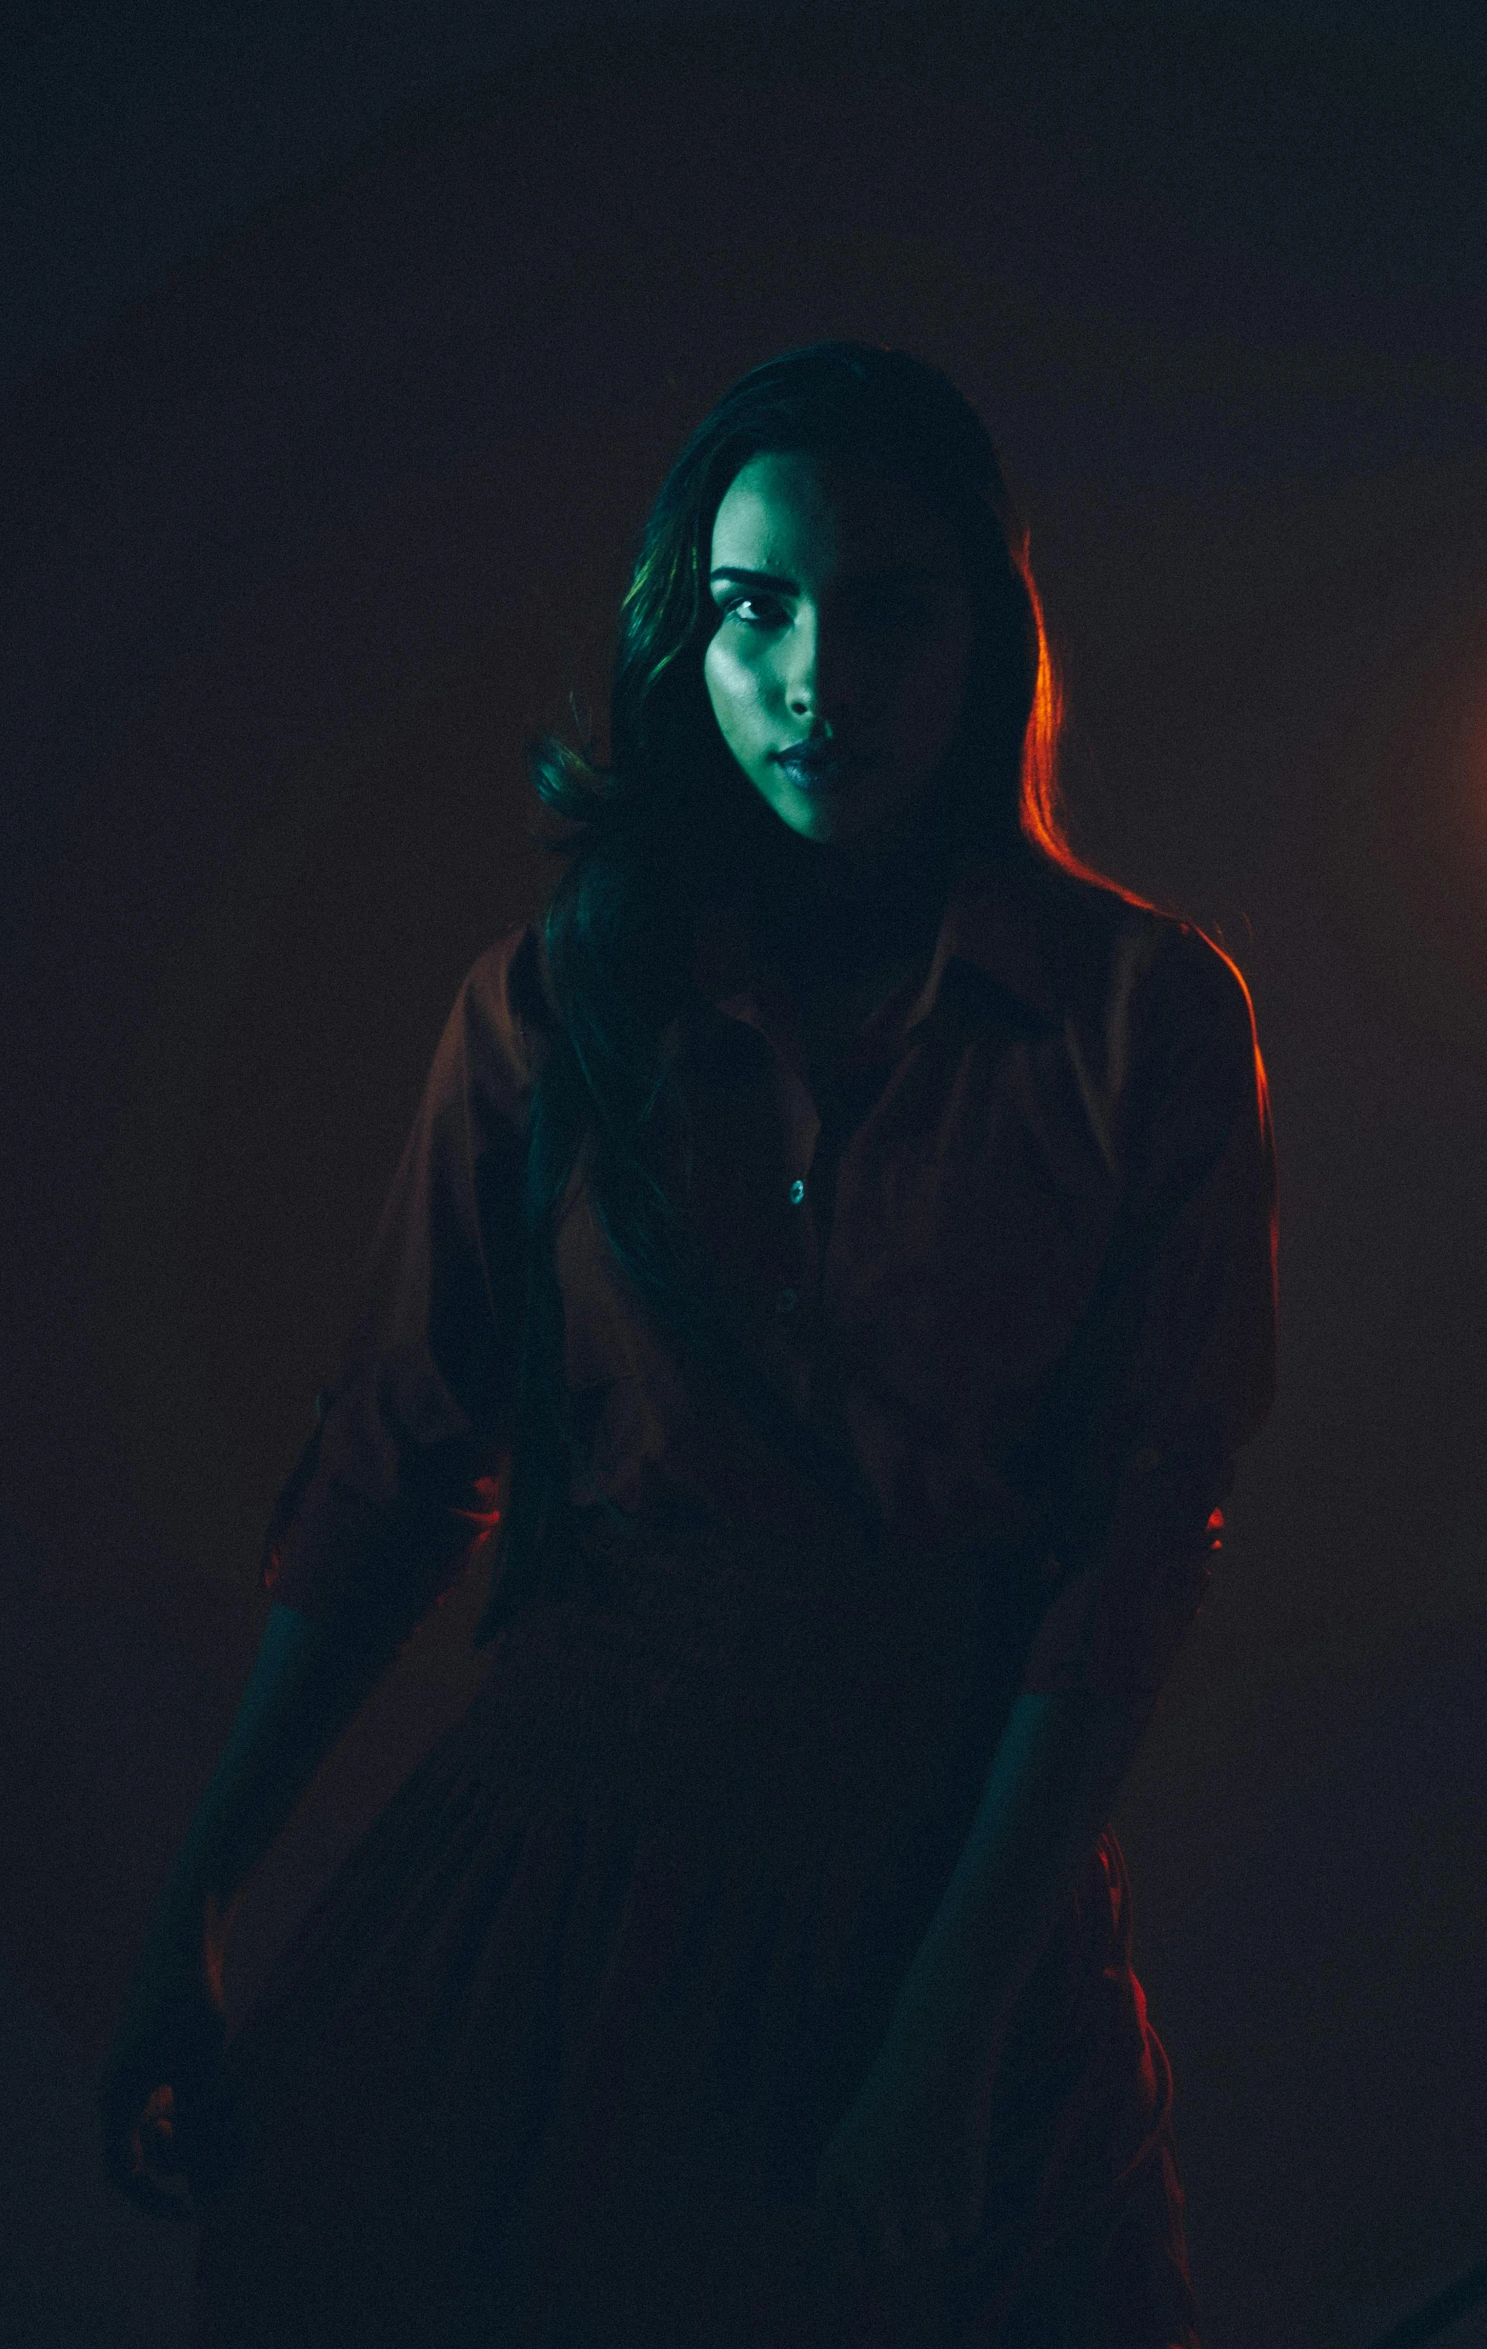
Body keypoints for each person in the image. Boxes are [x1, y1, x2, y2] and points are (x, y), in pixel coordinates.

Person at [100, 342, 1277, 2348]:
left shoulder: (1135, 1018)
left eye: (885, 606)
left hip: (931, 1881)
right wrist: (190, 1902)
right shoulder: (554, 1006)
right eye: (756, 611)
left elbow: (1130, 1552)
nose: (816, 677)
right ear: (686, 636)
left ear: (988, 632)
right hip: (559, 1876)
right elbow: (398, 1458)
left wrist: (951, 2026)